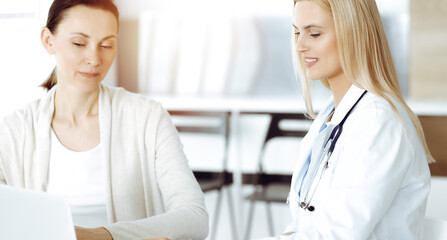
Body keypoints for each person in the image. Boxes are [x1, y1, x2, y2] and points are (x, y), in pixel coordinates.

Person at [0, 0, 208, 240]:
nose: (94, 59)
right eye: (79, 43)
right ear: (48, 40)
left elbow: (195, 217)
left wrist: (95, 236)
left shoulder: (147, 118)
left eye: (107, 45)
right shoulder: (14, 131)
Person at [261, 0, 433, 239]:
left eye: (314, 33)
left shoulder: (377, 121)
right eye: (297, 33)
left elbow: (337, 235)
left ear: (353, 33)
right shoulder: (331, 115)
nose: (300, 46)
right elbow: (303, 222)